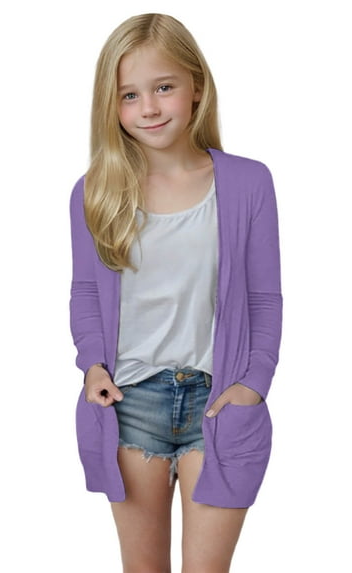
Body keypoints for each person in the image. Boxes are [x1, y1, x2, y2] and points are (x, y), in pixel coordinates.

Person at [68, 13, 283, 572]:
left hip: (218, 402)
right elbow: (85, 292)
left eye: (163, 87)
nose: (149, 107)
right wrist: (92, 365)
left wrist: (254, 384)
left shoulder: (248, 183)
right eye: (130, 95)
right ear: (111, 104)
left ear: (196, 87)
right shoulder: (95, 192)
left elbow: (265, 297)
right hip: (130, 403)